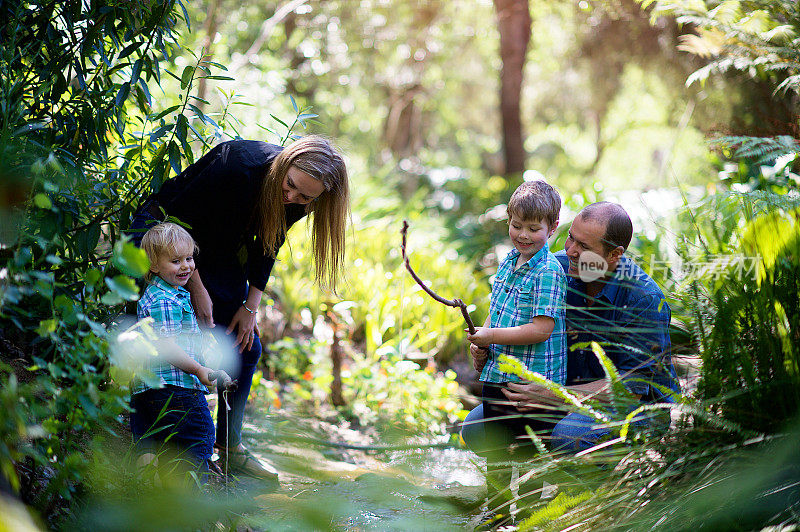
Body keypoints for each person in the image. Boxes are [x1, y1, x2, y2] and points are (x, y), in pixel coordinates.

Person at [128, 136, 349, 478]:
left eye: (305, 197)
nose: (292, 198)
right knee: (170, 328)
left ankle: (229, 446)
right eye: (289, 186)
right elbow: (181, 223)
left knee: (246, 346)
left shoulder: (304, 197)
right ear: (286, 163)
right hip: (166, 236)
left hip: (214, 249)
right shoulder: (238, 166)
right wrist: (198, 291)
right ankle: (154, 435)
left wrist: (250, 308)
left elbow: (269, 241)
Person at [500, 201, 679, 452]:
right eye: (571, 238)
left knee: (570, 435)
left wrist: (553, 395)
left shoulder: (643, 300)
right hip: (567, 391)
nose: (571, 250)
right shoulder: (558, 269)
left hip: (636, 409)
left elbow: (631, 389)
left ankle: (591, 489)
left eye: (583, 246)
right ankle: (528, 485)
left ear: (615, 254)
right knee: (480, 426)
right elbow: (517, 315)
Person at [462, 180, 567, 462]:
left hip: (530, 385)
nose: (523, 235)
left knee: (529, 451)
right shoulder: (509, 261)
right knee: (494, 447)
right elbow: (498, 307)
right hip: (498, 376)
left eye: (534, 229)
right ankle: (496, 504)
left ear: (552, 228)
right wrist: (481, 338)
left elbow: (542, 329)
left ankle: (528, 506)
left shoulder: (548, 271)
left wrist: (492, 336)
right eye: (516, 225)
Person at [130, 222, 231, 477]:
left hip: (146, 389)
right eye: (176, 261)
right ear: (154, 266)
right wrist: (198, 370)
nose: (186, 266)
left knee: (150, 442)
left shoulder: (159, 295)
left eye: (189, 258)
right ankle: (188, 498)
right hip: (176, 388)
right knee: (198, 437)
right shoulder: (165, 300)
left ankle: (146, 489)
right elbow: (166, 346)